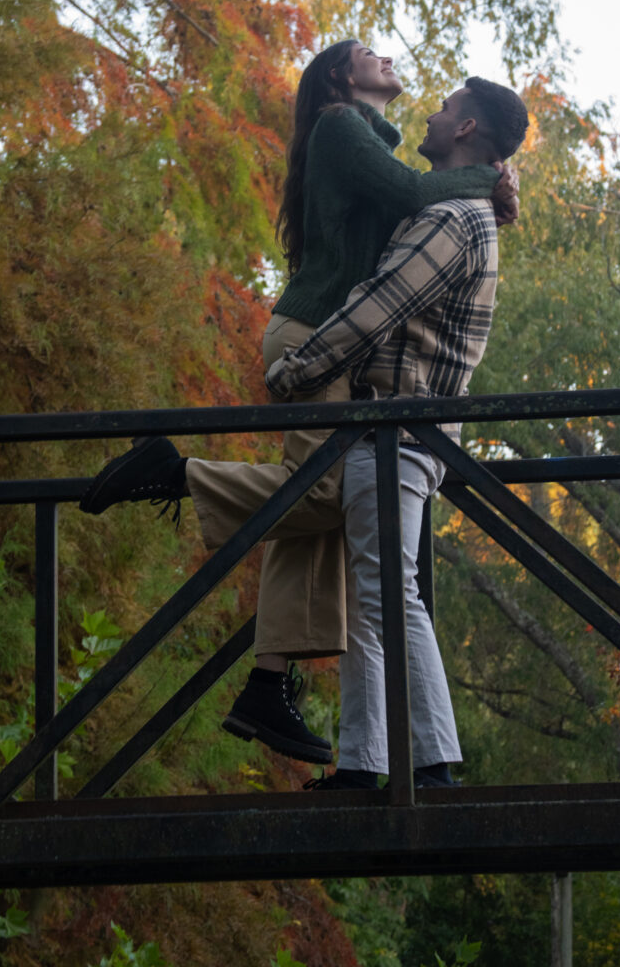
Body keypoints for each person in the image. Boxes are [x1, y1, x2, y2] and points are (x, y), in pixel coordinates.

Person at [80, 42, 515, 768]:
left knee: (319, 502)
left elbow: (418, 207)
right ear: (344, 77)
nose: (392, 61)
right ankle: (177, 473)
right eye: (372, 53)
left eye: (449, 108)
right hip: (315, 333)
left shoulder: (380, 148)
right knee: (327, 493)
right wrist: (490, 181)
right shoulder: (342, 127)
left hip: (329, 340)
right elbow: (415, 199)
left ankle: (269, 681)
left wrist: (492, 190)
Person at [264, 76, 530, 789]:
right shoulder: (455, 212)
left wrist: (298, 368)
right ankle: (363, 763)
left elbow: (379, 306)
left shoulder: (453, 220)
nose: (434, 115)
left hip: (399, 430)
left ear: (468, 130)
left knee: (388, 592)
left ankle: (435, 763)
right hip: (388, 429)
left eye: (446, 109)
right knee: (374, 592)